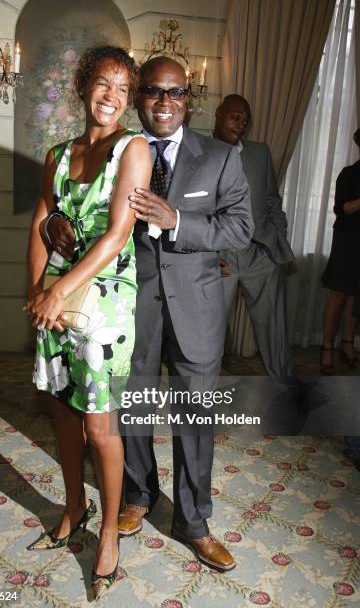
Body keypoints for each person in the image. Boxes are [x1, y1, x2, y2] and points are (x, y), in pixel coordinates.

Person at [46, 57, 253, 572]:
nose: (166, 103)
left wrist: (178, 219)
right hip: (128, 310)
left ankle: (194, 523)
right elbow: (87, 213)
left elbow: (241, 229)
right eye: (155, 93)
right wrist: (56, 226)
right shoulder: (120, 151)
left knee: (194, 420)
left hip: (197, 311)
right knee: (131, 412)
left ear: (189, 99)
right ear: (139, 99)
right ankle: (138, 495)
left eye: (176, 93)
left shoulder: (221, 158)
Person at [24, 45, 152, 599]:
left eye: (123, 89)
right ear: (83, 87)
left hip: (104, 301)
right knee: (60, 410)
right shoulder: (58, 152)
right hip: (54, 294)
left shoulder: (135, 149)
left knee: (100, 426)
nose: (111, 96)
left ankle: (108, 532)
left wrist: (58, 289)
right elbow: (41, 222)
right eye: (103, 83)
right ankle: (74, 507)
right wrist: (36, 289)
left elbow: (118, 233)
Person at [214, 94, 295, 380]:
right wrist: (204, 256)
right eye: (235, 116)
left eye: (245, 119)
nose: (241, 123)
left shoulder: (259, 152)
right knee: (209, 331)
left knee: (274, 327)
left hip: (260, 251)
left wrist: (277, 239)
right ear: (218, 113)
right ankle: (199, 399)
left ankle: (286, 388)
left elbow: (272, 199)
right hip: (219, 256)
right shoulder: (199, 151)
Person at [320, 128, 360, 375]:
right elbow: (342, 209)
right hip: (348, 239)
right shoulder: (350, 174)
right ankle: (326, 348)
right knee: (339, 295)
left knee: (357, 296)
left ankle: (347, 344)